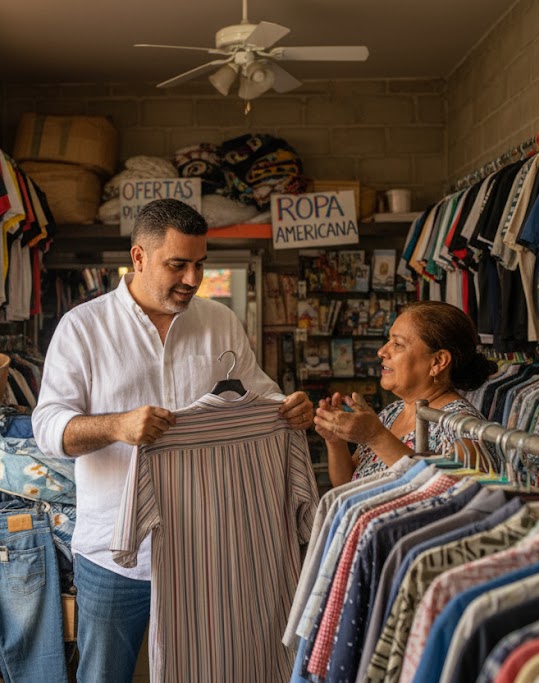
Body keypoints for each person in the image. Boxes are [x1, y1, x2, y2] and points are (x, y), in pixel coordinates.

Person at [32, 198, 315, 683]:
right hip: (112, 555)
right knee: (105, 676)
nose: (191, 278)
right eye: (177, 264)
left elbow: (258, 394)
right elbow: (49, 429)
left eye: (200, 265)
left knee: (208, 668)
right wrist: (116, 426)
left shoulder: (220, 322)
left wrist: (289, 407)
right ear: (138, 257)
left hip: (208, 547)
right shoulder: (83, 327)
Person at [314, 300, 497, 487]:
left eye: (398, 344)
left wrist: (376, 437)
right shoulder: (391, 413)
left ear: (438, 362)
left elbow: (451, 492)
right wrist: (335, 442)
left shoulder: (462, 426)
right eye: (388, 340)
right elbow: (347, 484)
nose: (381, 351)